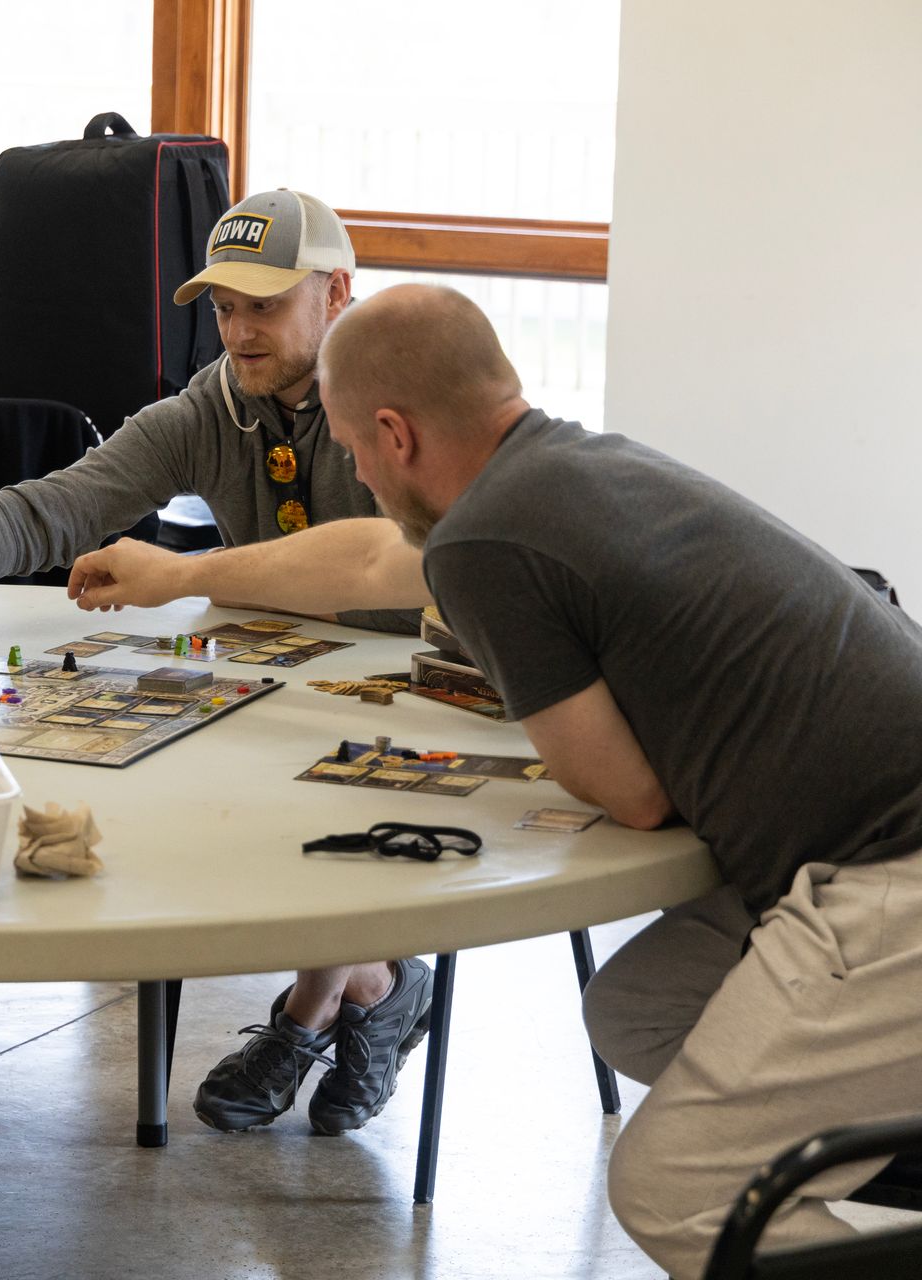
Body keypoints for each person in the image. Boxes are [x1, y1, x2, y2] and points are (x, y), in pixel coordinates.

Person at [66, 282, 922, 1278]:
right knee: (638, 1011)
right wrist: (180, 575)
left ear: (394, 434)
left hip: (890, 863)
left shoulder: (485, 539)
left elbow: (633, 794)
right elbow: (371, 566)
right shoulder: (571, 464)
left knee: (674, 1187)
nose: (353, 470)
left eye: (349, 447)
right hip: (846, 837)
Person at [0, 190, 434, 1143]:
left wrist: (183, 574)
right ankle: (368, 983)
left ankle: (316, 1007)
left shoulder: (401, 390)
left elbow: (392, 561)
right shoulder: (219, 402)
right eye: (224, 307)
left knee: (306, 773)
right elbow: (53, 507)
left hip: (430, 685)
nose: (239, 331)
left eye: (264, 304)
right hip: (291, 687)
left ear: (337, 292)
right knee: (206, 758)